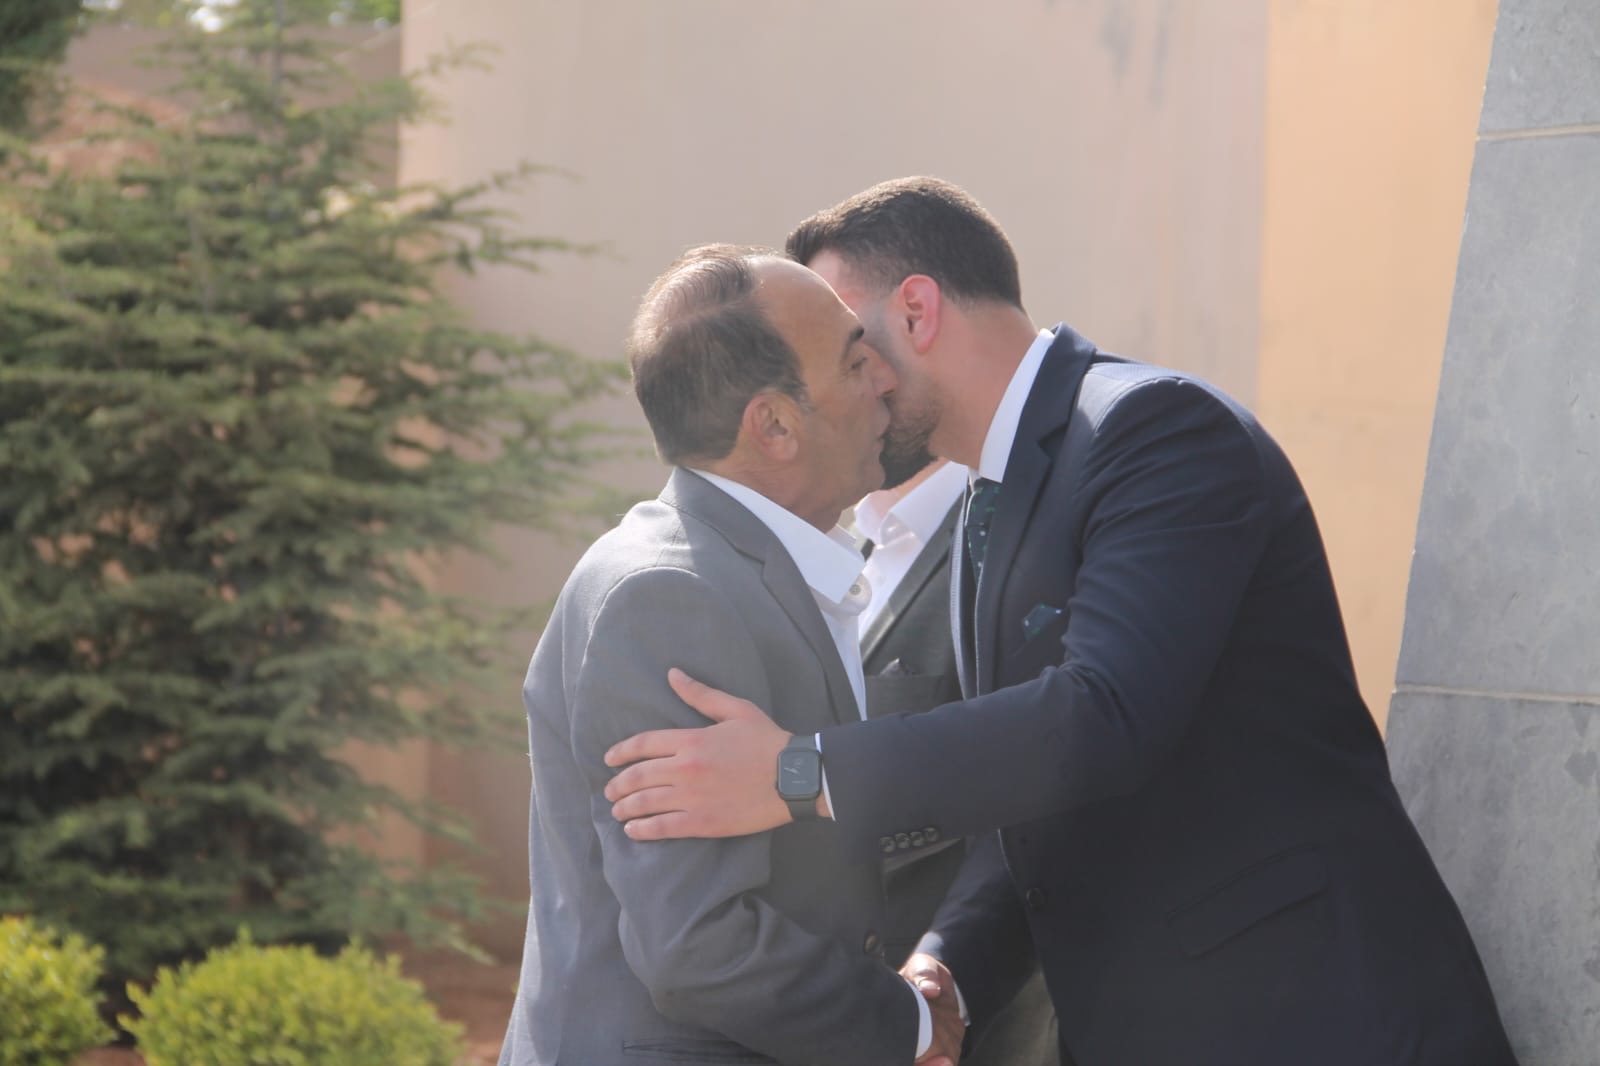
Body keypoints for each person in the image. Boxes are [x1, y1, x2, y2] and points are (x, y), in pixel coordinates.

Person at [602, 179, 1517, 1065]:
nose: (845, 391)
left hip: (1314, 1021)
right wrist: (948, 973)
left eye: (850, 349)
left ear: (917, 311)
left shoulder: (1155, 429)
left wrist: (796, 773)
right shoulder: (989, 500)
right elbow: (1033, 806)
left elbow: (1101, 717)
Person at [497, 244, 962, 1066]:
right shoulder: (668, 597)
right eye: (855, 361)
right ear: (773, 425)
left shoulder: (733, 568)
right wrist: (907, 1025)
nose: (886, 379)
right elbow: (697, 946)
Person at [854, 458, 1060, 1066]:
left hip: (971, 1027)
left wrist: (942, 976)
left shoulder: (1009, 540)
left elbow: (1033, 790)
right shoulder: (856, 543)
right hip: (849, 1020)